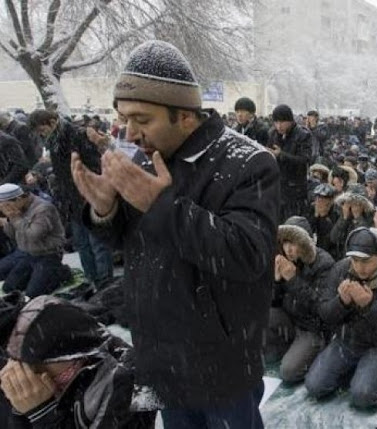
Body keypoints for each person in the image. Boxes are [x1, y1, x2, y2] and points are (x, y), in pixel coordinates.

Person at [71, 40, 280, 429]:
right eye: (122, 118)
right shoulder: (141, 156)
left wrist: (161, 205)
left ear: (185, 116)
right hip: (159, 354)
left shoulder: (248, 162)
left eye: (142, 119)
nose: (129, 133)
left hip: (221, 360)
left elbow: (247, 254)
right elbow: (135, 245)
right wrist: (106, 211)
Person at [0, 295, 156, 428]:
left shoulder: (134, 380)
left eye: (39, 365)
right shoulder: (51, 374)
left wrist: (43, 415)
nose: (28, 373)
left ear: (73, 356)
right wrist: (20, 408)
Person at [305, 227, 377, 409]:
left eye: (366, 261)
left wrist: (370, 306)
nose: (359, 267)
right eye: (354, 260)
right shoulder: (341, 269)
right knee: (314, 386)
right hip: (347, 341)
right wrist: (342, 303)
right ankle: (358, 372)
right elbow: (324, 314)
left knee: (363, 397)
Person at [28, 109, 114, 287]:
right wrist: (38, 172)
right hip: (70, 198)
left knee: (96, 243)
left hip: (87, 195)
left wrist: (89, 188)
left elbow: (94, 164)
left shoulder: (76, 134)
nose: (42, 134)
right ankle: (92, 280)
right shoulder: (54, 139)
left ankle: (105, 283)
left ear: (52, 122)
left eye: (42, 130)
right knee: (82, 243)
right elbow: (53, 163)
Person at [266, 217, 335, 383]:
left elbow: (320, 307)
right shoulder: (284, 258)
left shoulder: (324, 263)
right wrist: (276, 282)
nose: (288, 249)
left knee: (288, 372)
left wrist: (292, 280)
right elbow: (274, 303)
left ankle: (314, 349)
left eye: (294, 243)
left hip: (313, 328)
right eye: (285, 243)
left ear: (305, 243)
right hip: (291, 320)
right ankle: (289, 348)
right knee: (263, 315)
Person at [0, 184, 70, 298]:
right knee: (9, 288)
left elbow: (34, 235)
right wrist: (8, 221)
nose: (5, 209)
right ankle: (37, 276)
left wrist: (15, 218)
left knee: (33, 294)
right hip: (28, 254)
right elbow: (12, 235)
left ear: (18, 199)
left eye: (7, 205)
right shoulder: (17, 209)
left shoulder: (43, 208)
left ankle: (61, 272)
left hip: (48, 254)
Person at [268, 104, 312, 222]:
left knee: (292, 225)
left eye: (282, 122)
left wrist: (281, 155)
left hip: (295, 190)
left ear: (290, 121)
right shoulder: (273, 134)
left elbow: (304, 159)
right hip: (277, 188)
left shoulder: (303, 135)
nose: (279, 126)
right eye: (276, 122)